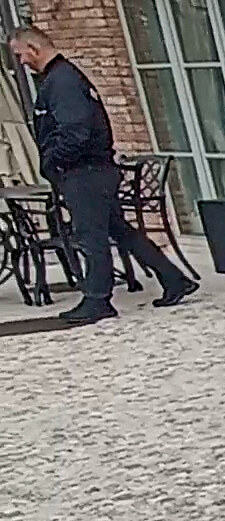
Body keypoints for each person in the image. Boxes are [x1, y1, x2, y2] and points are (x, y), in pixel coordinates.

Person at [8, 25, 197, 324]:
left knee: (90, 236)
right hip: (94, 170)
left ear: (34, 48)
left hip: (85, 172)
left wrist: (54, 162)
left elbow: (76, 131)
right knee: (119, 230)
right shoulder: (61, 78)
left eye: (20, 54)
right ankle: (174, 279)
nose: (21, 61)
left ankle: (97, 299)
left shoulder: (63, 82)